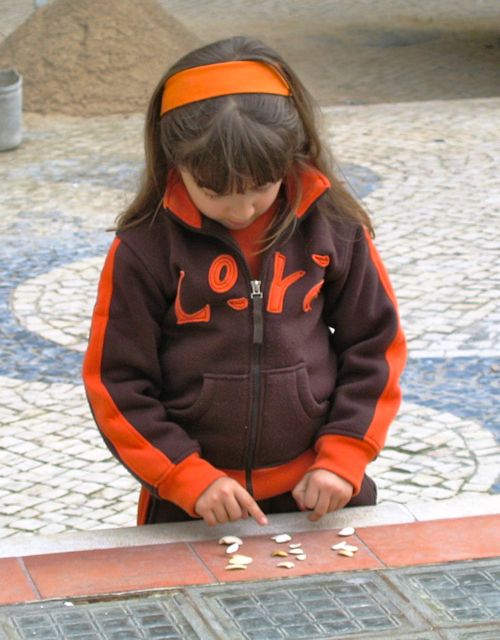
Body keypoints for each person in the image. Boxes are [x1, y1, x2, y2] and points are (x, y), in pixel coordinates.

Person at [82, 35, 406, 528]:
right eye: (213, 191)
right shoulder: (143, 248)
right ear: (175, 162)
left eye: (260, 187)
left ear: (291, 156)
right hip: (193, 502)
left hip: (322, 491)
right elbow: (116, 382)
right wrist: (185, 477)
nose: (241, 209)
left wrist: (343, 457)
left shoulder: (335, 227)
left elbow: (375, 346)